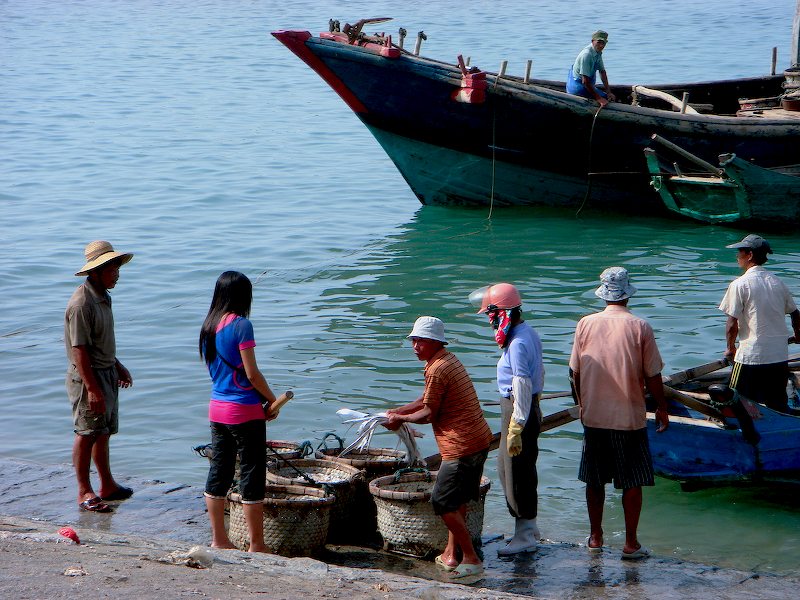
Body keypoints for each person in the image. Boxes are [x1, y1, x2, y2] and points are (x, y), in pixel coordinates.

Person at [569, 267, 668, 560]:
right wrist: (662, 407)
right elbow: (653, 375)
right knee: (633, 480)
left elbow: (575, 371)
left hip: (595, 415)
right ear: (627, 294)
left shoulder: (585, 324)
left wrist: (582, 403)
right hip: (628, 416)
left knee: (595, 479)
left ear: (603, 294)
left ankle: (596, 537)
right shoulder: (640, 327)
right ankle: (630, 543)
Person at [384, 316, 492, 580]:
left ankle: (471, 559)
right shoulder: (447, 360)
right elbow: (426, 398)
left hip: (461, 446)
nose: (415, 346)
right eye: (413, 340)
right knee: (459, 500)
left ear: (434, 342)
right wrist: (399, 410)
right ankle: (450, 554)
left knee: (442, 502)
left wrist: (400, 419)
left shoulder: (436, 368)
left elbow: (429, 413)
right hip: (479, 440)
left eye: (420, 341)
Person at [199, 271, 279, 553]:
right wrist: (270, 400)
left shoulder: (209, 326)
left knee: (219, 471)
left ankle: (219, 540)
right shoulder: (242, 325)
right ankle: (257, 544)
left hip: (216, 409)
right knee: (251, 473)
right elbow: (252, 373)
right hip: (244, 410)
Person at [469, 283, 543, 555]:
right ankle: (529, 526)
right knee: (508, 466)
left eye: (491, 315)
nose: (489, 322)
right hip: (523, 407)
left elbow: (522, 382)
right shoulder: (526, 333)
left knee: (516, 471)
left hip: (518, 409)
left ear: (502, 314)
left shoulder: (519, 342)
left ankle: (524, 536)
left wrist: (518, 424)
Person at [65, 240, 135, 513]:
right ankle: (84, 490)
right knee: (86, 432)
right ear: (96, 271)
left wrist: (117, 365)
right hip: (87, 378)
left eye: (117, 268)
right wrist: (92, 389)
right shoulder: (82, 304)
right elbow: (79, 350)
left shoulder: (104, 297)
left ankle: (107, 484)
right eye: (112, 269)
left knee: (103, 431)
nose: (117, 274)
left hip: (106, 372)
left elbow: (99, 341)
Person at [719, 234, 800, 415]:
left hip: (750, 357)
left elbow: (732, 323)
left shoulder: (739, 284)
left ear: (749, 255)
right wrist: (798, 335)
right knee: (778, 405)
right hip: (779, 357)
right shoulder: (778, 283)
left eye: (740, 252)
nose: (737, 256)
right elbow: (795, 314)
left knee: (734, 402)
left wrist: (730, 348)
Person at [566, 30, 617, 107]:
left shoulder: (598, 52)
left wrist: (608, 92)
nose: (601, 45)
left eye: (603, 43)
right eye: (599, 42)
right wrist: (599, 98)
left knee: (609, 96)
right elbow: (585, 81)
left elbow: (602, 72)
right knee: (606, 99)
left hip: (587, 83)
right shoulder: (587, 55)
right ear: (593, 41)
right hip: (578, 86)